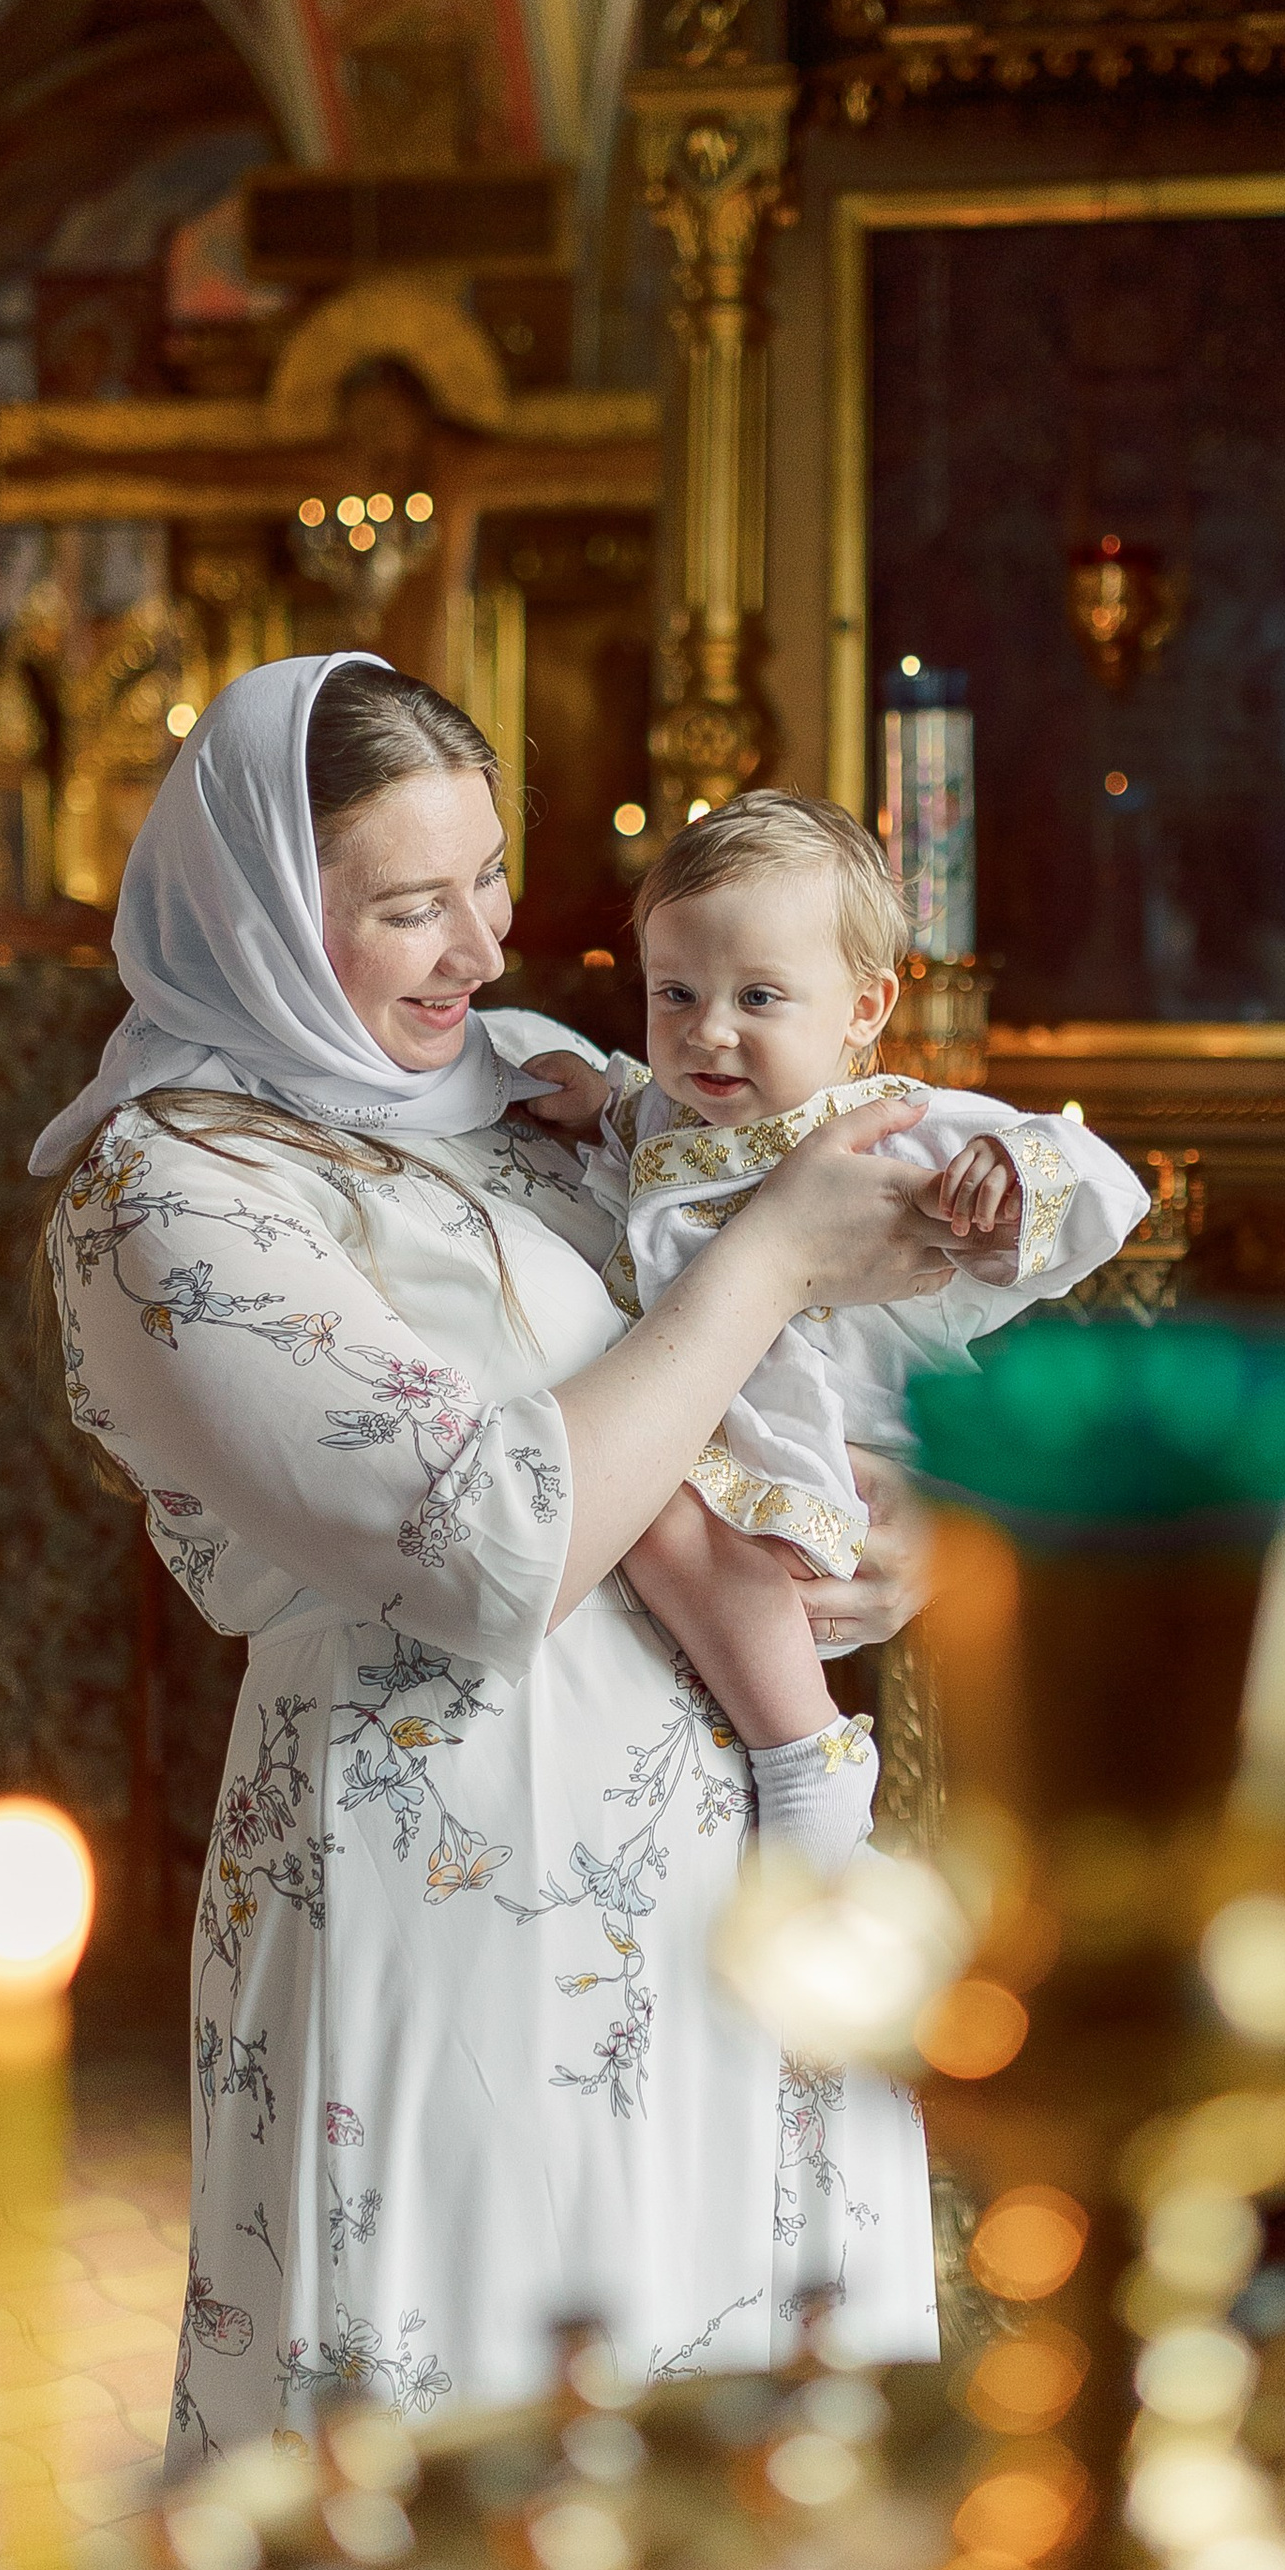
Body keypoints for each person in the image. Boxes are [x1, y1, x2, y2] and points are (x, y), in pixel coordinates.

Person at [33, 655, 953, 2457]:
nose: (476, 949)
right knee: (478, 2462)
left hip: (745, 1879)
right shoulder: (172, 1198)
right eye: (406, 905)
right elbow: (486, 1552)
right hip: (445, 1876)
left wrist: (892, 1528)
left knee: (747, 2455)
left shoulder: (534, 1084)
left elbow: (774, 1377)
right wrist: (771, 1251)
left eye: (487, 883)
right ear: (267, 916)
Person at [521, 790, 1147, 1878]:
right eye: (675, 993)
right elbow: (632, 1108)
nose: (708, 1030)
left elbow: (1105, 1182)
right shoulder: (674, 1111)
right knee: (665, 1507)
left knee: (675, 1514)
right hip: (719, 1422)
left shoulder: (894, 1125)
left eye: (758, 996)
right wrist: (597, 1093)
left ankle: (805, 1760)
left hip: (826, 1437)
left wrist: (1014, 1178)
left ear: (863, 1008)